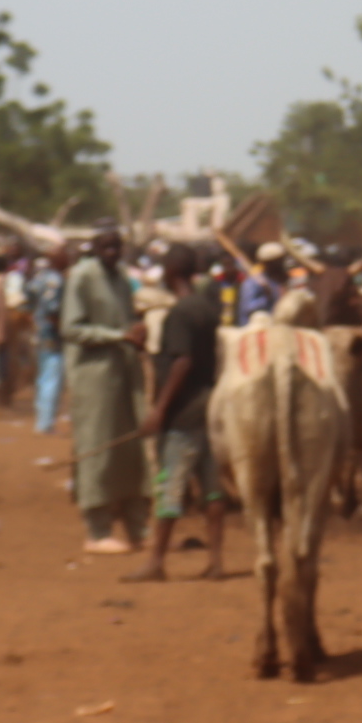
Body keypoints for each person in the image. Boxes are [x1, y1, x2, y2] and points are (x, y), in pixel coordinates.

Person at [123, 244, 227, 583]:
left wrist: (160, 410)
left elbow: (182, 361)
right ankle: (216, 561)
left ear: (170, 272)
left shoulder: (180, 313)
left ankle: (155, 562)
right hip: (208, 402)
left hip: (183, 409)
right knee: (211, 485)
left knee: (170, 484)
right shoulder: (207, 308)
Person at [61, 225, 151, 554]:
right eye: (106, 247)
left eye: (117, 247)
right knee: (98, 448)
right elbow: (71, 328)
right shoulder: (82, 276)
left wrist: (136, 331)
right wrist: (118, 336)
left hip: (124, 372)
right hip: (94, 376)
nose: (112, 253)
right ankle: (97, 531)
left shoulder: (122, 277)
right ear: (95, 248)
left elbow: (126, 319)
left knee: (131, 450)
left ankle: (137, 527)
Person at [27, 245, 69, 433]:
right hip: (53, 335)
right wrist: (63, 331)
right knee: (52, 378)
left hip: (39, 332)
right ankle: (45, 423)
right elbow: (53, 311)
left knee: (43, 376)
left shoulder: (39, 278)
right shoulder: (56, 280)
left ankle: (42, 420)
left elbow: (28, 300)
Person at [236, 243, 291, 326]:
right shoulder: (253, 282)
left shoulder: (283, 280)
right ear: (266, 263)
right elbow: (247, 309)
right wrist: (267, 298)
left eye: (281, 260)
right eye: (276, 262)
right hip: (256, 330)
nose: (280, 264)